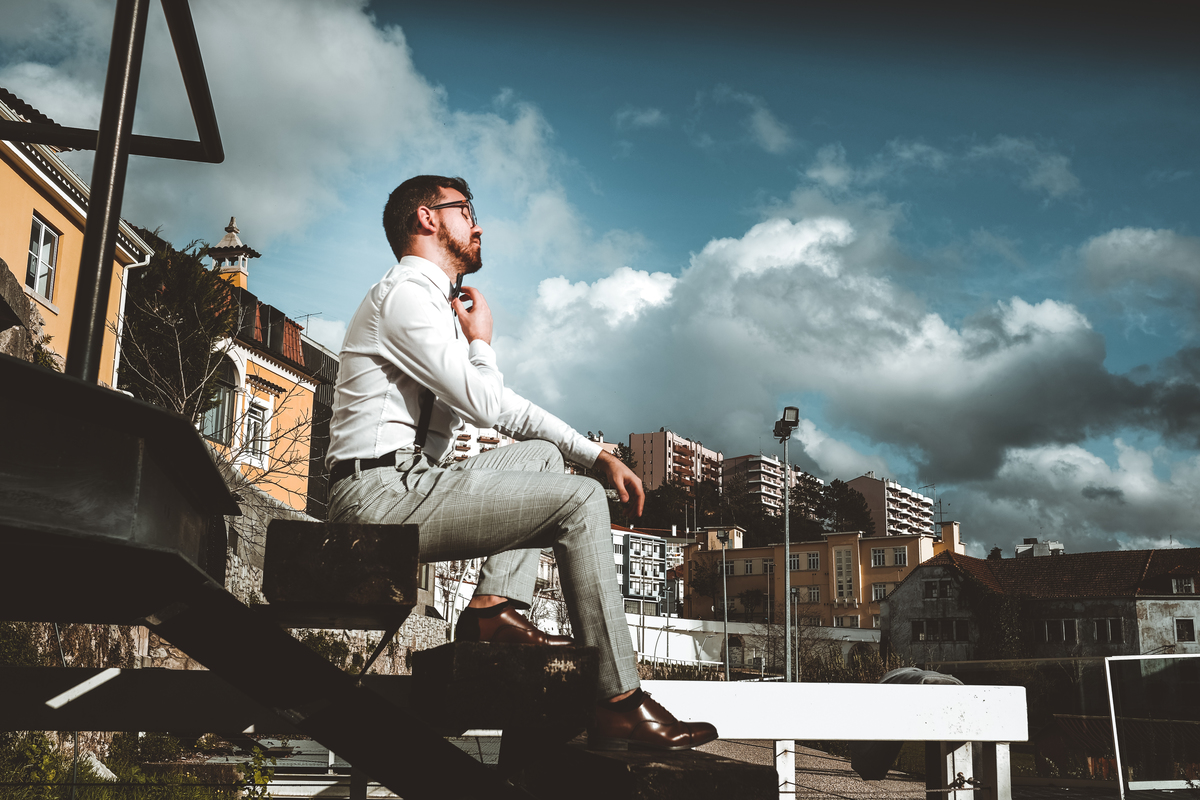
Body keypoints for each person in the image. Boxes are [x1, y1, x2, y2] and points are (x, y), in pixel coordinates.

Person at [325, 175, 717, 751]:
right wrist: (483, 345)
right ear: (427, 218)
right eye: (465, 210)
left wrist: (590, 452)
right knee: (581, 499)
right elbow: (486, 405)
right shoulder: (405, 293)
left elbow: (494, 409)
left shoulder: (429, 305)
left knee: (542, 457)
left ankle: (493, 610)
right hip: (377, 494)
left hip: (411, 481)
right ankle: (619, 702)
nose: (478, 224)